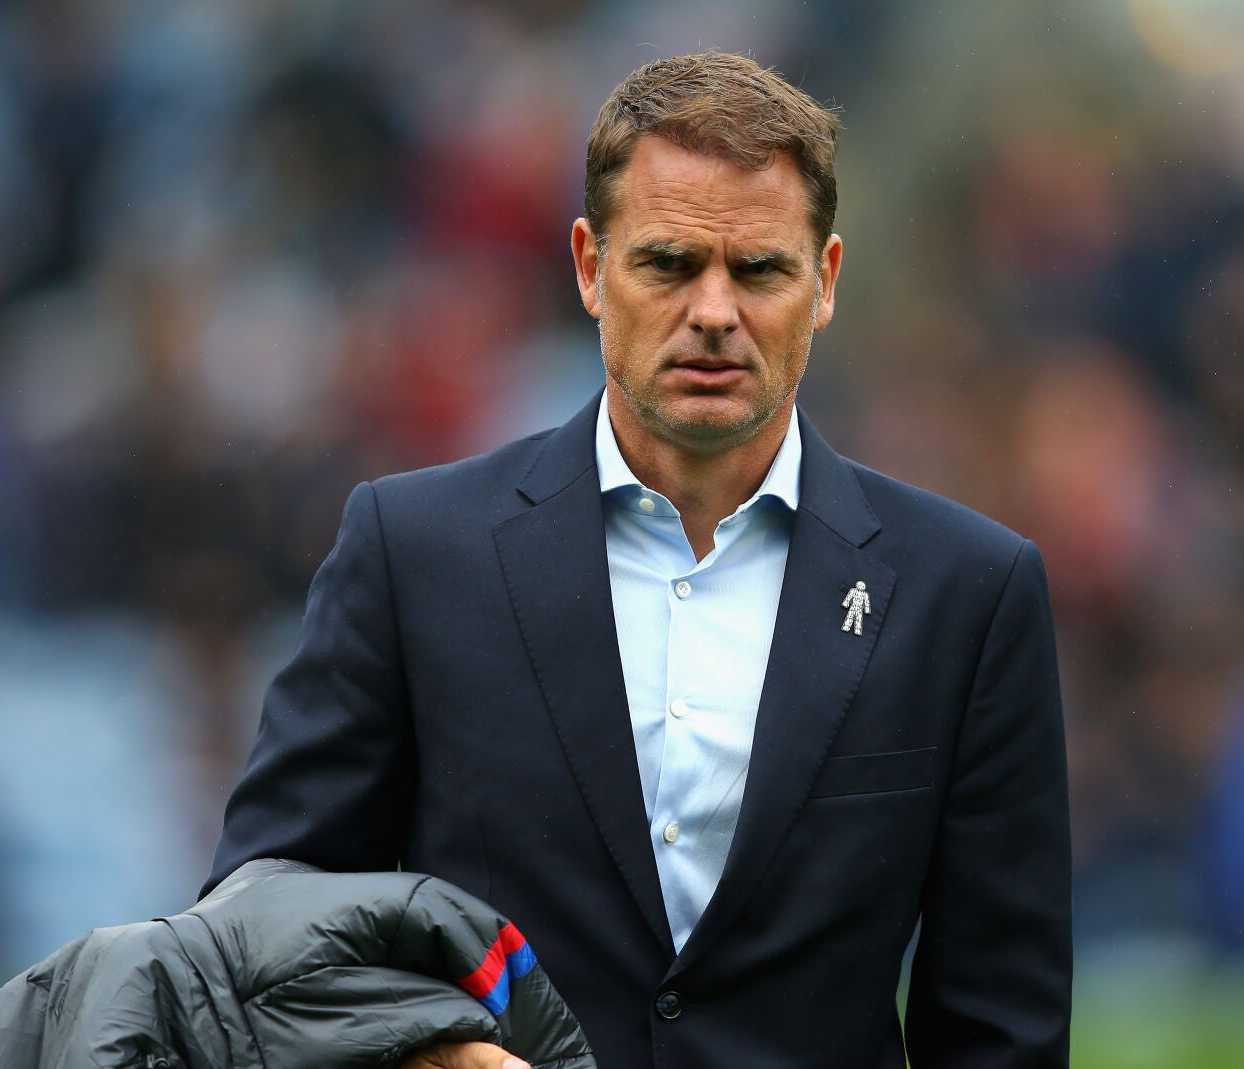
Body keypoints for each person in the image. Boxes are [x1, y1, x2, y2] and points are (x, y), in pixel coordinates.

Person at [206, 51, 1071, 1069]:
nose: (714, 312)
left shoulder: (966, 593)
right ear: (589, 265)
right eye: (668, 264)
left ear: (825, 281)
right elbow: (265, 912)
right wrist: (420, 1045)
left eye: (759, 270)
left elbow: (1002, 1030)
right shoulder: (413, 552)